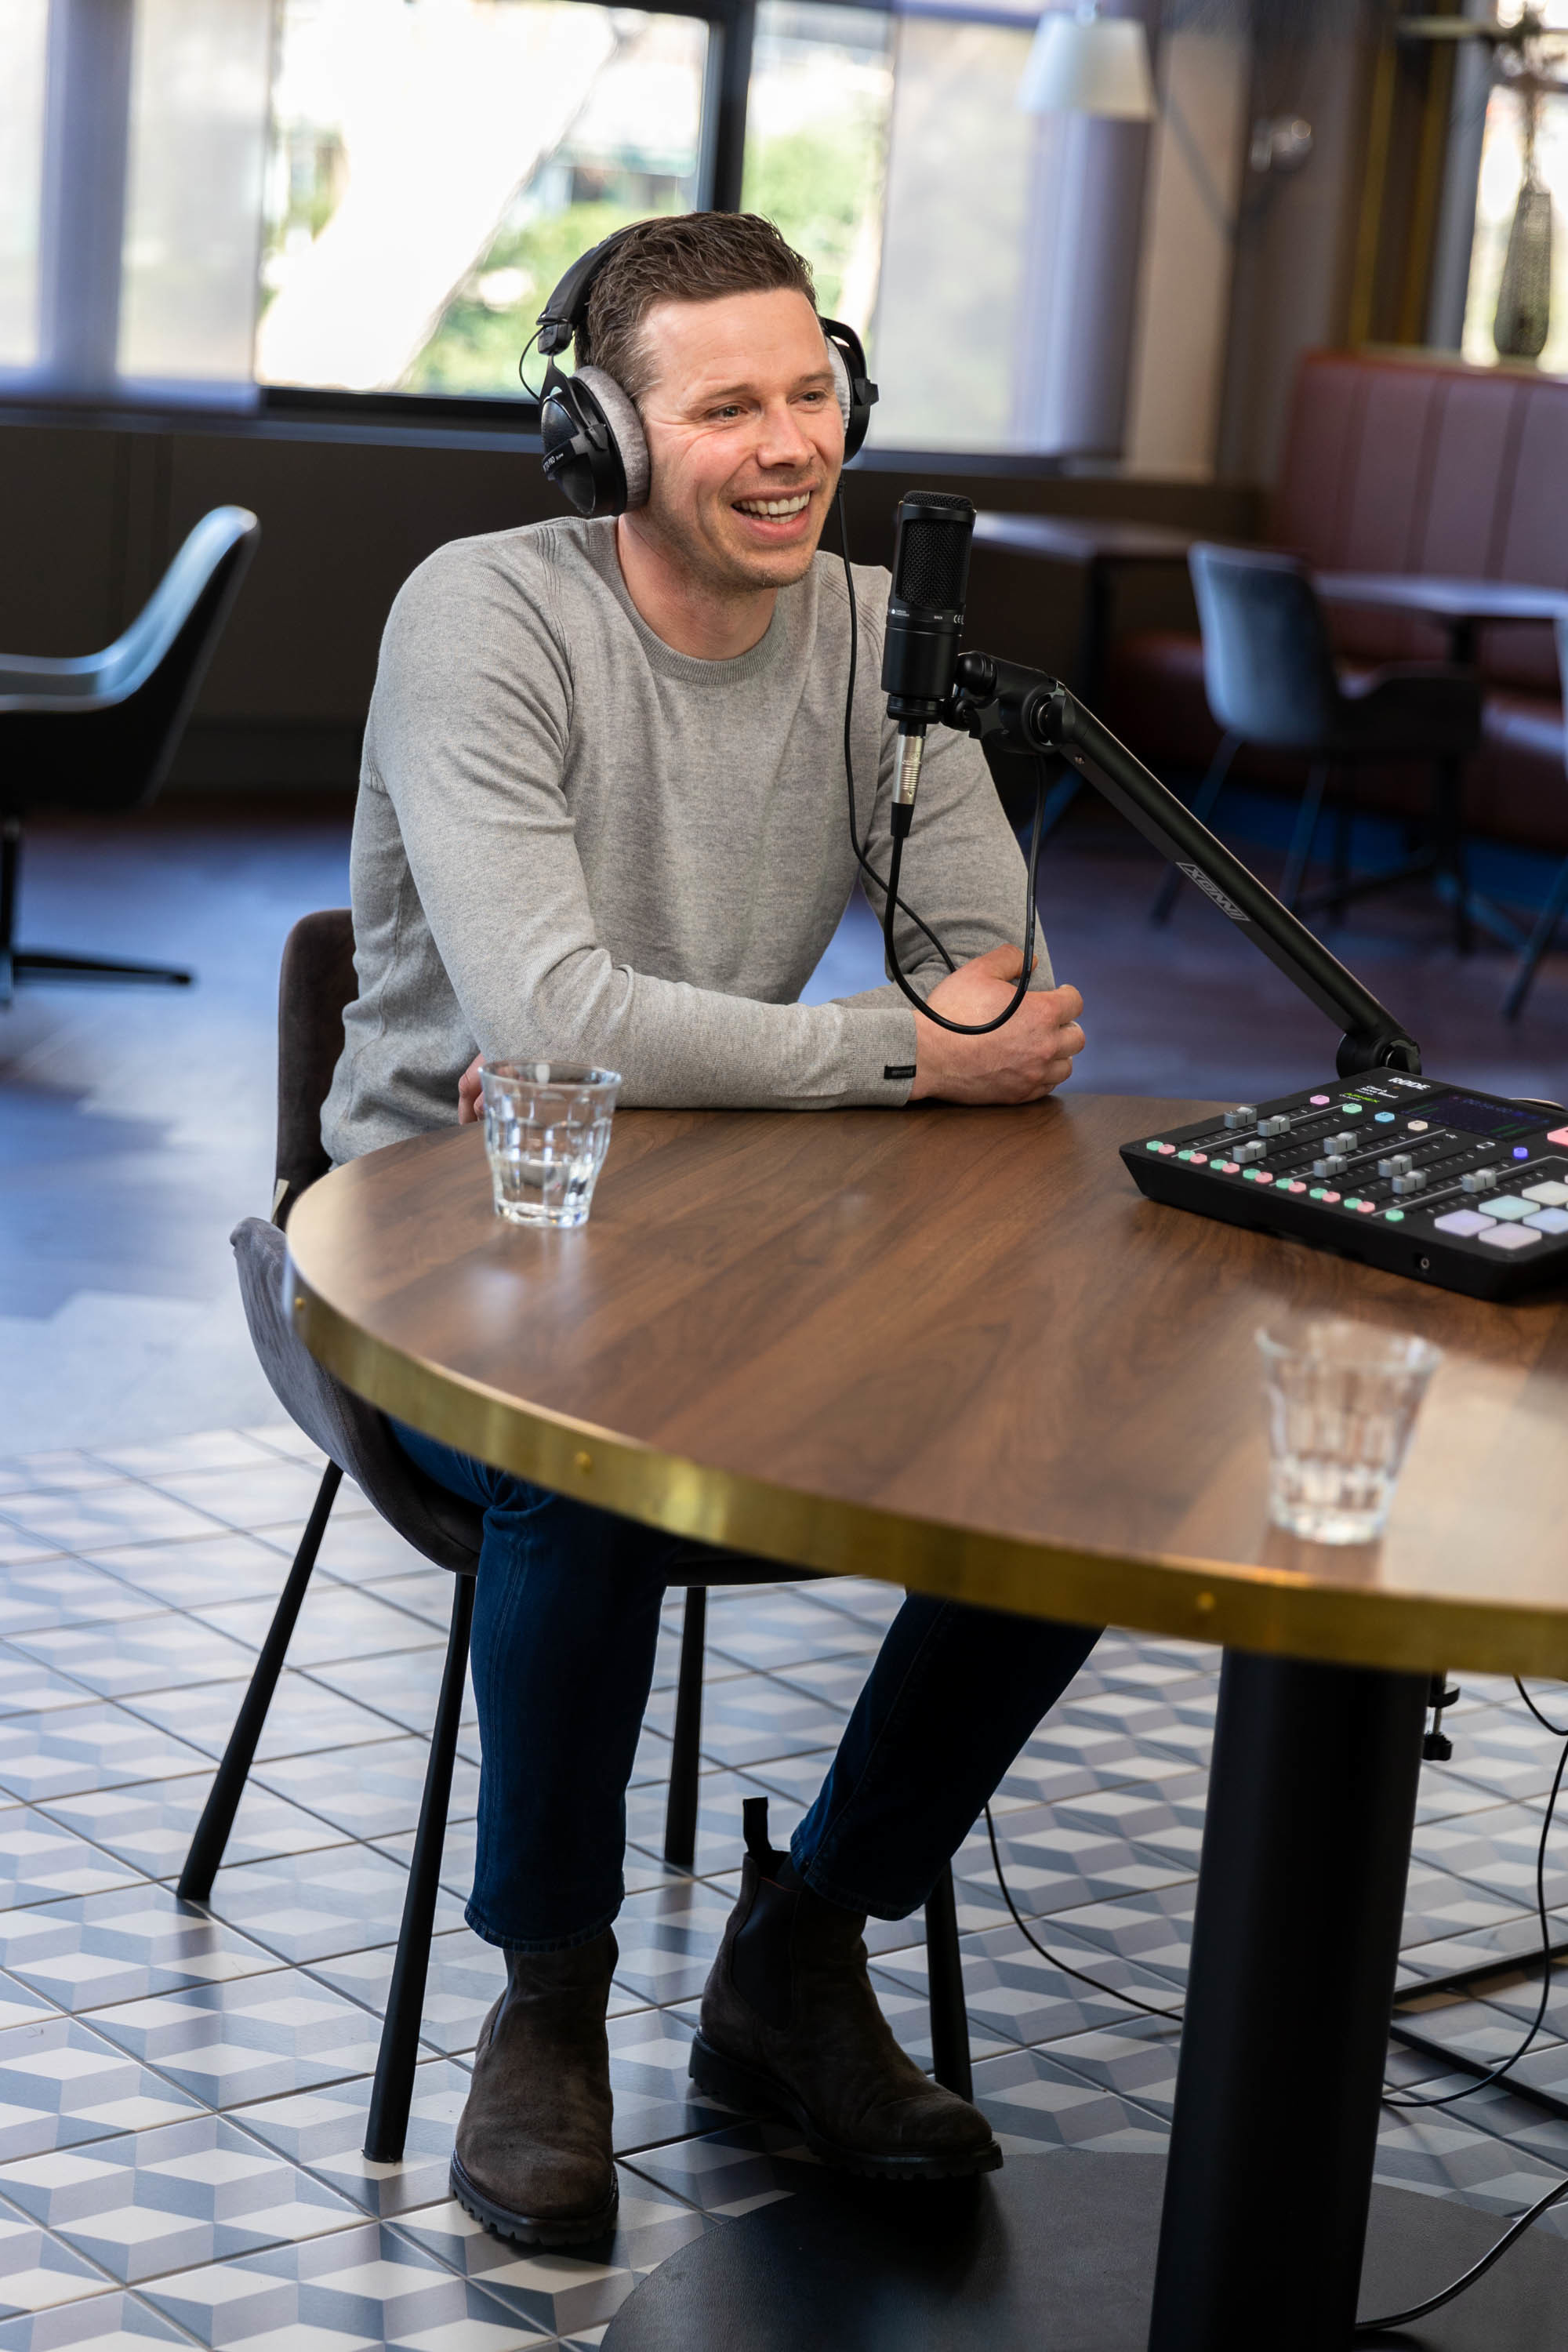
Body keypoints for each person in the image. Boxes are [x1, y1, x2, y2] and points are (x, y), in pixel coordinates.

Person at [321, 211, 1097, 2248]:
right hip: (442, 1252)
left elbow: (990, 966)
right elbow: (557, 1026)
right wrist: (898, 1055)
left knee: (1083, 1458)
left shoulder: (878, 641)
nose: (787, 445)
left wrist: (805, 1054)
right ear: (596, 434)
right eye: (725, 403)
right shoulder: (480, 618)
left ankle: (804, 1947)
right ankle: (548, 2001)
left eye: (811, 392)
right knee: (581, 1459)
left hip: (746, 1231)